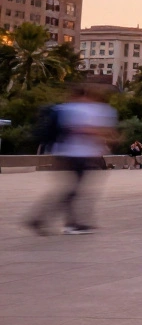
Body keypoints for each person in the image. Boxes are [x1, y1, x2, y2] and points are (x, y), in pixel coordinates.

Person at [25, 85, 117, 236]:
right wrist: (103, 136)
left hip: (68, 153)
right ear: (85, 95)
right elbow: (80, 129)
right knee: (72, 190)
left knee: (71, 190)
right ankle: (55, 221)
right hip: (75, 155)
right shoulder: (76, 109)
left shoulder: (65, 108)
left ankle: (62, 221)